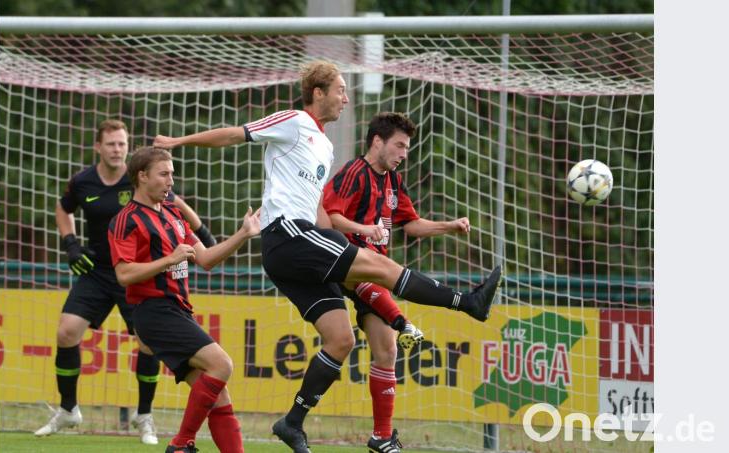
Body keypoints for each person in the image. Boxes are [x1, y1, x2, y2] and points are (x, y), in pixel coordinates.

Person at [154, 60, 501, 453]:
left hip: (301, 244)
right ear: (318, 93)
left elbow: (319, 209)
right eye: (340, 90)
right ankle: (467, 303)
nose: (346, 99)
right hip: (287, 234)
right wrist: (179, 142)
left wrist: (338, 241)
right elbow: (235, 134)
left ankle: (292, 422)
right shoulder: (294, 121)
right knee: (380, 267)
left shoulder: (326, 146)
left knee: (340, 339)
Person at [34, 120, 217, 445]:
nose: (117, 149)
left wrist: (203, 234)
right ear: (98, 147)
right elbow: (63, 209)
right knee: (66, 331)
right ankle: (68, 409)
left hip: (141, 272)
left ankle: (144, 416)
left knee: (148, 343)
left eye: (122, 143)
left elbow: (177, 205)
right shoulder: (83, 181)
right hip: (96, 271)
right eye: (111, 144)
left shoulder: (142, 180)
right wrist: (70, 243)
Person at [323, 112, 489, 452]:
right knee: (377, 282)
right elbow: (330, 216)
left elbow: (411, 225)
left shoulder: (393, 182)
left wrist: (449, 226)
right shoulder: (354, 172)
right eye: (399, 145)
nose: (404, 153)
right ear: (377, 141)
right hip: (349, 264)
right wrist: (364, 230)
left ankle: (381, 436)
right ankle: (411, 319)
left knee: (387, 351)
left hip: (376, 272)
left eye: (407, 148)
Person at [109, 146, 259, 453]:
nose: (171, 181)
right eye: (164, 174)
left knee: (219, 397)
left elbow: (206, 259)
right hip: (154, 311)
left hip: (177, 310)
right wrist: (169, 259)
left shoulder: (174, 215)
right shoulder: (126, 220)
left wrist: (243, 234)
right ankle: (180, 443)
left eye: (172, 174)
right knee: (222, 364)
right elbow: (123, 274)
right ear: (142, 176)